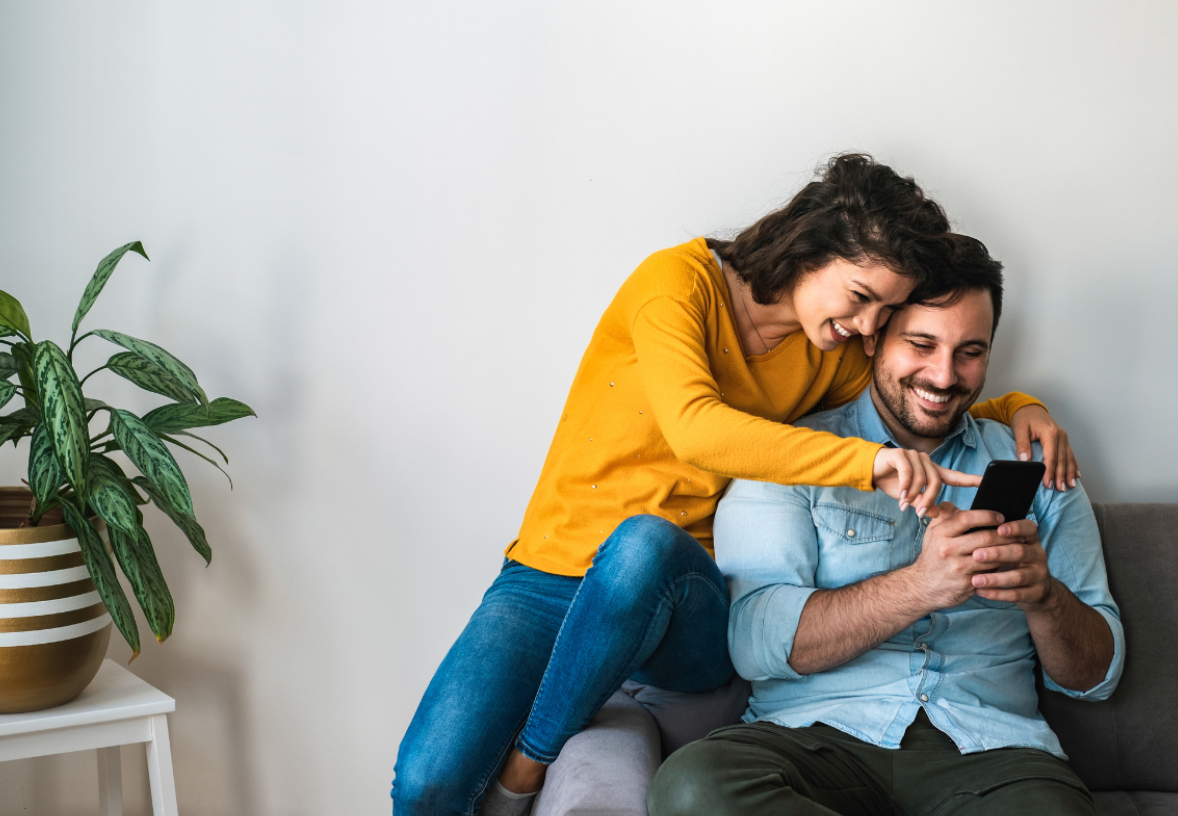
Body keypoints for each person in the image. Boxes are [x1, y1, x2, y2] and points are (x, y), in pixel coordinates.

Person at [391, 155, 1079, 816]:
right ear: (811, 249)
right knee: (423, 784)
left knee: (644, 549)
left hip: (678, 596)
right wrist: (866, 465)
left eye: (884, 312)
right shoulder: (677, 283)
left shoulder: (829, 353)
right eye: (863, 298)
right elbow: (697, 427)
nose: (868, 328)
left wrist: (1019, 406)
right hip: (552, 571)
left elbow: (921, 394)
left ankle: (527, 766)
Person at [648, 234, 1124, 816]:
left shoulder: (1039, 465)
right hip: (812, 743)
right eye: (921, 344)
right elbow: (752, 642)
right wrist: (921, 586)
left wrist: (1044, 597)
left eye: (970, 352)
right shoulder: (792, 455)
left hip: (994, 758)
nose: (944, 375)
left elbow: (1096, 677)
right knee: (694, 786)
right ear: (873, 337)